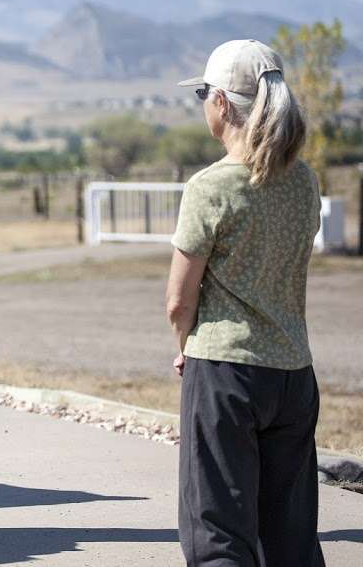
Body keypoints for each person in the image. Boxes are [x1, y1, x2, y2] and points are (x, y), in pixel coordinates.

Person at [168, 40, 325, 566]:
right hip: (294, 372)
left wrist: (182, 346)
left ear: (219, 103)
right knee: (290, 534)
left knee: (219, 529)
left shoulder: (210, 187)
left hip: (225, 373)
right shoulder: (304, 181)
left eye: (201, 94)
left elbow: (178, 298)